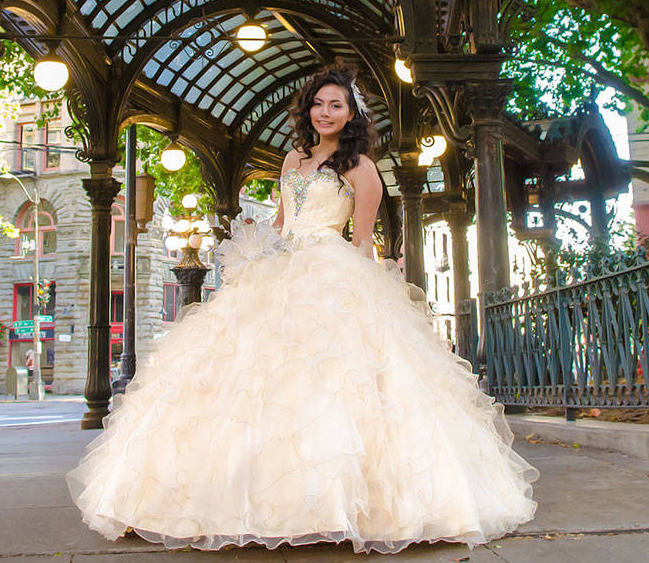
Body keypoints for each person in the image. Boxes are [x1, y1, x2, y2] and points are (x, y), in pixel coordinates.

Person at [67, 64, 537, 554]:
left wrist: (366, 299)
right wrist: (256, 255)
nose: (326, 112)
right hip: (279, 269)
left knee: (333, 381)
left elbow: (362, 241)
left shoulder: (362, 168)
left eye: (336, 104)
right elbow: (281, 222)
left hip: (332, 271)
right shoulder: (293, 159)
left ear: (352, 112)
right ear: (307, 109)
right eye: (318, 103)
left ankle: (345, 505)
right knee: (244, 378)